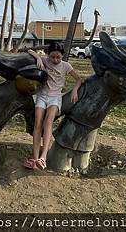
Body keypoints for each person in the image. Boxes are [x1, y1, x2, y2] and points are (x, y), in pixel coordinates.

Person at [25, 42, 83, 170]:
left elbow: (79, 79)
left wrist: (74, 90)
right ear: (48, 55)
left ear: (62, 56)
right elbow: (29, 50)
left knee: (48, 123)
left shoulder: (66, 66)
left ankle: (43, 157)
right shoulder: (45, 60)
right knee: (37, 123)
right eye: (52, 57)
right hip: (42, 96)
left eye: (58, 57)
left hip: (55, 97)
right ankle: (35, 158)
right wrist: (39, 58)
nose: (55, 60)